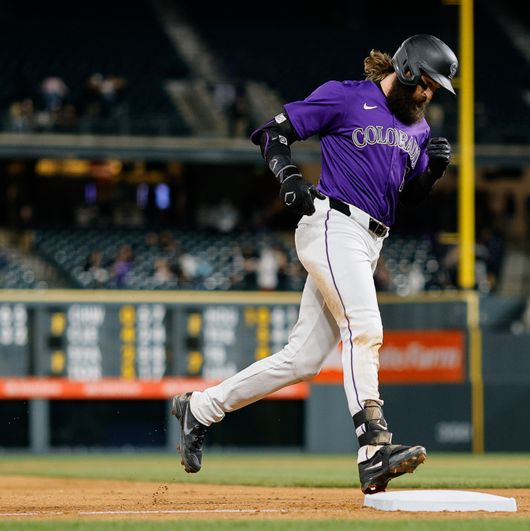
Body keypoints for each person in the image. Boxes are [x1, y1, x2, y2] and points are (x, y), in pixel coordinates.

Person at [170, 34, 458, 494]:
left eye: (436, 89)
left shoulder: (418, 131)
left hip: (371, 240)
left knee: (302, 360)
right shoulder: (347, 96)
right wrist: (287, 175)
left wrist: (429, 175)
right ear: (405, 70)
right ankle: (373, 450)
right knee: (364, 329)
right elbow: (273, 132)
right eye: (426, 83)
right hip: (333, 224)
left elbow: (403, 199)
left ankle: (200, 408)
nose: (429, 94)